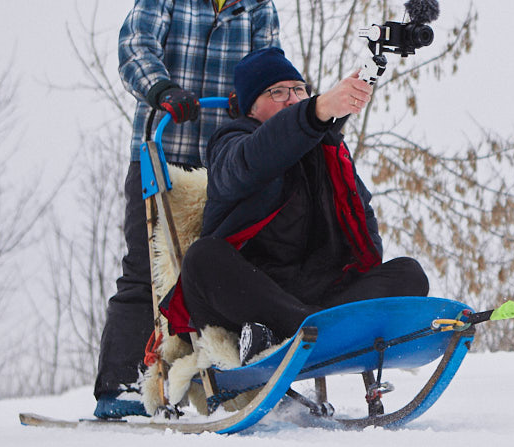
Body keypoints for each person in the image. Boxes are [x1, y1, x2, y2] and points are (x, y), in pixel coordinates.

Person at [94, 0, 280, 418]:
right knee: (148, 269)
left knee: (229, 263)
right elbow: (136, 44)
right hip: (162, 152)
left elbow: (268, 64)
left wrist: (282, 106)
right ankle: (120, 387)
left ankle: (229, 377)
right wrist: (163, 89)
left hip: (225, 158)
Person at [165, 47, 428, 363]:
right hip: (255, 293)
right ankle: (313, 329)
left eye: (299, 89)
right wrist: (315, 111)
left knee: (409, 273)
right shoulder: (230, 142)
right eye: (277, 92)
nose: (292, 98)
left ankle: (314, 328)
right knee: (201, 259)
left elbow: (361, 217)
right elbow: (254, 158)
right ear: (251, 107)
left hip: (322, 295)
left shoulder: (327, 149)